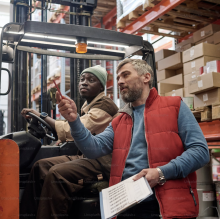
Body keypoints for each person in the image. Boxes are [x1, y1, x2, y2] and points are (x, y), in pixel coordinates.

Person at [57, 59, 210, 219]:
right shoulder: (119, 120)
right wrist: (74, 121)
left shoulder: (175, 106)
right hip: (125, 204)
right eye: (118, 78)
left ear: (146, 77)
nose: (120, 81)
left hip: (164, 205)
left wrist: (161, 173)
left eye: (126, 75)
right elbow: (93, 149)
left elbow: (200, 152)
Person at [20, 65, 119, 219]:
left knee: (56, 174)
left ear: (101, 86)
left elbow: (75, 128)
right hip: (86, 156)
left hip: (102, 160)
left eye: (91, 80)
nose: (84, 83)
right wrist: (59, 134)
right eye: (82, 79)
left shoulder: (105, 106)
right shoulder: (89, 105)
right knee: (40, 166)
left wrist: (41, 116)